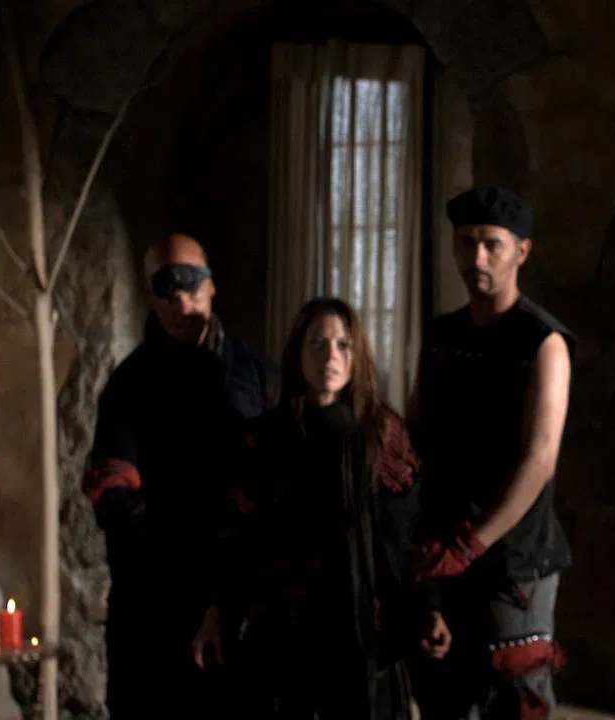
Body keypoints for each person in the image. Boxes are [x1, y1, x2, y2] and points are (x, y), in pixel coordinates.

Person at [81, 233, 278, 717]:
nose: (180, 300)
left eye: (190, 283)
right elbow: (113, 493)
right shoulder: (129, 384)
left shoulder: (257, 372)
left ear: (212, 286)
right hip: (155, 609)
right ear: (151, 296)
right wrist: (183, 565)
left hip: (242, 603)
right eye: (165, 287)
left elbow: (283, 474)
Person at [223, 297, 450, 719]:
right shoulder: (267, 437)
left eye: (343, 345)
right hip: (285, 633)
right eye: (317, 343)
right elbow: (242, 537)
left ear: (357, 354)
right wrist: (219, 611)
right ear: (298, 351)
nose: (330, 356)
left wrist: (429, 607)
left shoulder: (382, 435)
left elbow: (408, 532)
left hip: (363, 631)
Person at [409, 186, 574, 720]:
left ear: (520, 251)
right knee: (444, 696)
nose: (476, 257)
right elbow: (417, 435)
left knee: (516, 700)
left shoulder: (543, 341)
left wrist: (472, 543)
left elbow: (539, 460)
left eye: (491, 245)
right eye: (465, 242)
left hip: (514, 559)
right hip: (445, 549)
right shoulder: (442, 335)